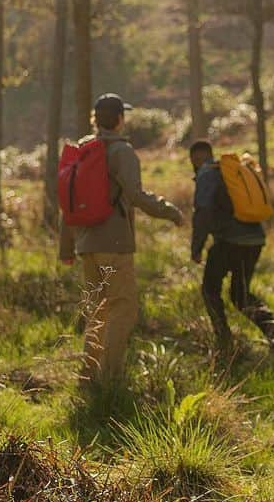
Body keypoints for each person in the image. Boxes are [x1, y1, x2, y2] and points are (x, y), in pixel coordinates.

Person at [59, 93, 183, 386]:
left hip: (86, 246)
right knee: (123, 308)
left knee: (97, 310)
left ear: (95, 119)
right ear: (119, 119)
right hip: (114, 246)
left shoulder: (83, 149)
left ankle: (88, 378)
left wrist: (67, 248)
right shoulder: (121, 152)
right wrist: (171, 212)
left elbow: (68, 204)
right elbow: (136, 195)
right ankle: (110, 379)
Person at [189, 139, 274, 353]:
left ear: (195, 159)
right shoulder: (232, 172)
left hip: (228, 241)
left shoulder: (207, 173)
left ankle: (223, 341)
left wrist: (196, 248)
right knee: (239, 294)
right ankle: (272, 324)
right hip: (254, 241)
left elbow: (203, 212)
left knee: (209, 289)